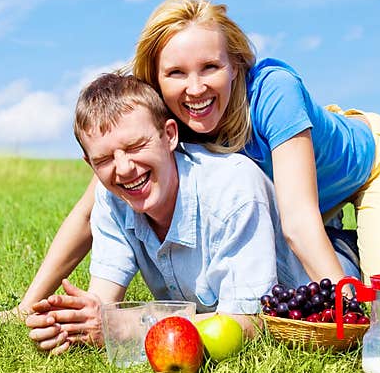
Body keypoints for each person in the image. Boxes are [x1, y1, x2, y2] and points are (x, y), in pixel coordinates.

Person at [0, 0, 380, 329]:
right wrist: (28, 306)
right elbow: (91, 209)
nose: (194, 88)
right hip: (294, 197)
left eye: (210, 68)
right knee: (319, 268)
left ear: (236, 65)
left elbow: (298, 222)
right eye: (175, 73)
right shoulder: (170, 115)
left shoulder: (274, 94)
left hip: (376, 165)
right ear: (156, 78)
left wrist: (352, 317)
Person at [22, 72, 358, 355]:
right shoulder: (111, 199)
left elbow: (249, 323)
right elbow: (103, 306)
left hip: (333, 278)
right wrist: (66, 324)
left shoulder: (234, 188)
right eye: (105, 159)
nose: (123, 169)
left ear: (169, 136)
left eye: (137, 147)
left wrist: (125, 326)